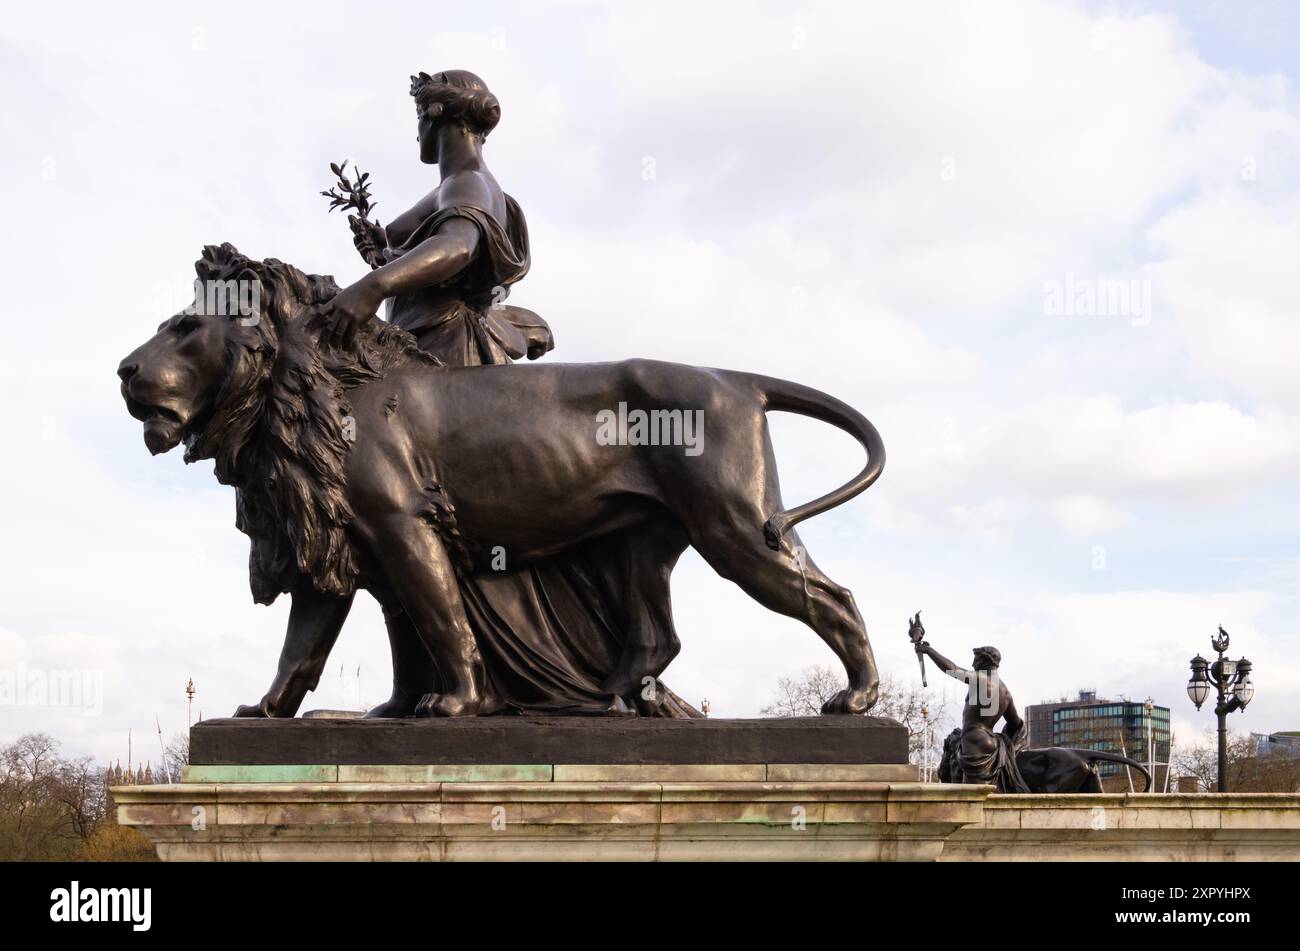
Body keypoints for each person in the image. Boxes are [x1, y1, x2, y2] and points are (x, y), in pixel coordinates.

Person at [317, 70, 698, 717]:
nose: (416, 128)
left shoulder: (469, 185)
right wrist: (380, 252)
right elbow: (408, 246)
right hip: (418, 358)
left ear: (441, 117)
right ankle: (427, 685)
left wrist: (377, 284)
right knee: (407, 524)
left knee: (438, 521)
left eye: (420, 115)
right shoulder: (449, 188)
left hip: (448, 366)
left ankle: (483, 680)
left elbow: (456, 246)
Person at [919, 639, 1030, 792]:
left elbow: (952, 669)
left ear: (985, 662)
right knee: (983, 794)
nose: (972, 665)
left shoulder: (982, 679)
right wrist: (1007, 743)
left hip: (973, 740)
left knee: (970, 797)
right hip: (991, 743)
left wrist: (929, 651)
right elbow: (1016, 723)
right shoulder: (1006, 693)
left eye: (975, 661)